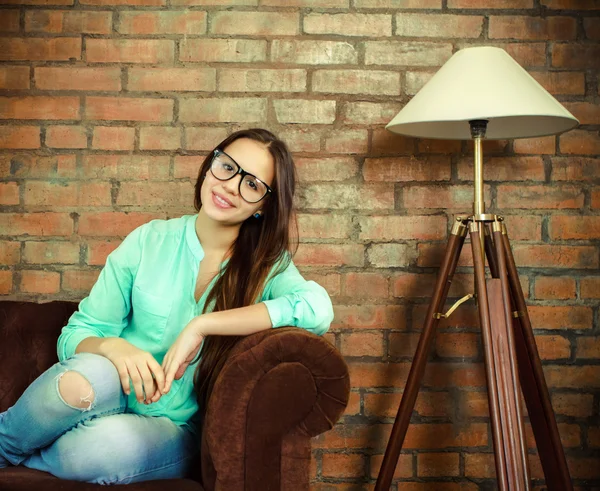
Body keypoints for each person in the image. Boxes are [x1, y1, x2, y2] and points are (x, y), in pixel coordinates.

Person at [0, 128, 334, 485]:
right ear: (211, 165)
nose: (230, 186)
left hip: (175, 426)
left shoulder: (268, 266)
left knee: (90, 452)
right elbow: (78, 334)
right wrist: (114, 347)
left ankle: (43, 454)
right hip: (116, 386)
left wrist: (203, 325)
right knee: (76, 382)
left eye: (252, 184)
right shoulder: (149, 240)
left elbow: (317, 308)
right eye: (227, 167)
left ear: (263, 205)